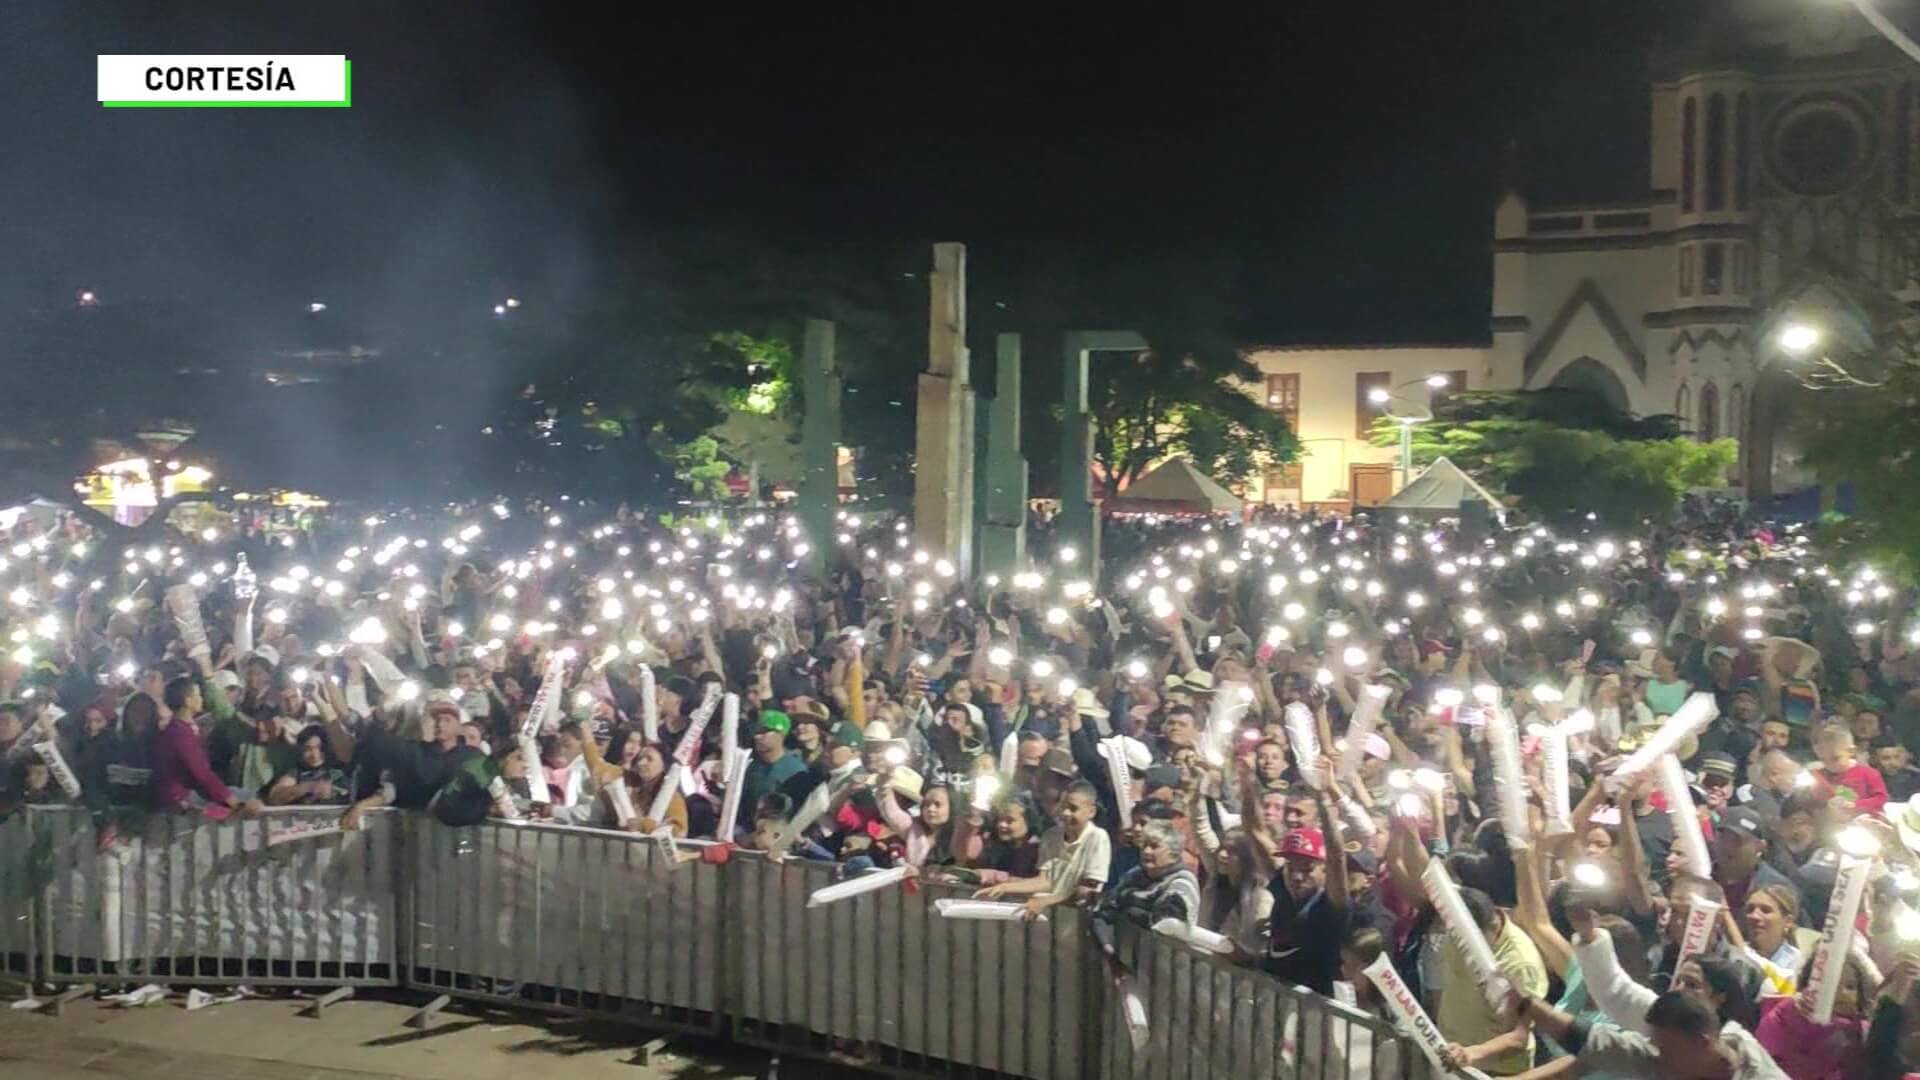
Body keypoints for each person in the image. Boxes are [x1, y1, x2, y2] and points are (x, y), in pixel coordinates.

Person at [1507, 988, 1786, 1079]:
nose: (1659, 1056)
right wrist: (1528, 1005)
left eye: (1667, 1050)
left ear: (1702, 1044)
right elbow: (1600, 1043)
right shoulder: (1667, 1058)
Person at [974, 781, 1110, 919]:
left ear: (1091, 812)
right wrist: (1004, 887)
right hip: (1049, 918)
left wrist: (1046, 902)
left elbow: (1086, 891)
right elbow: (1044, 882)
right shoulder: (1051, 835)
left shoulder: (1098, 837)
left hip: (1078, 922)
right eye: (1063, 807)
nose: (1065, 813)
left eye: (1073, 808)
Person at [735, 709, 803, 838]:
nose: (757, 737)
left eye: (764, 732)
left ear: (781, 734)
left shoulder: (796, 770)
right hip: (748, 835)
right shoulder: (752, 768)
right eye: (756, 732)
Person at [1809, 723, 1887, 815]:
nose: (1829, 764)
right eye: (1823, 759)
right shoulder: (1819, 775)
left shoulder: (1868, 773)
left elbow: (1881, 798)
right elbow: (1815, 802)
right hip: (1832, 822)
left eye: (1835, 758)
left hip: (1864, 821)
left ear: (1851, 752)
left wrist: (1856, 804)